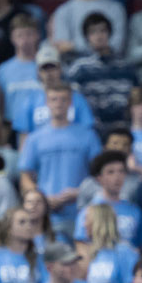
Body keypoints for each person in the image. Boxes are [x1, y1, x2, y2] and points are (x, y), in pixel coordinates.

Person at [19, 81, 104, 233]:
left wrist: (80, 192)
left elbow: (100, 174)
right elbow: (25, 176)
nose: (58, 103)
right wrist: (42, 198)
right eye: (54, 99)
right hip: (45, 217)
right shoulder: (34, 138)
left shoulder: (87, 135)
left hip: (81, 214)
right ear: (46, 102)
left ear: (70, 102)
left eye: (63, 99)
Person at [65, 13, 138, 132]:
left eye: (102, 31)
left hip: (123, 129)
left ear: (110, 34)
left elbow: (135, 98)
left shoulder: (126, 66)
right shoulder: (78, 69)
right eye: (93, 32)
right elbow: (74, 103)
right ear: (86, 37)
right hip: (92, 129)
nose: (98, 36)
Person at [12, 46, 97, 142]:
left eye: (52, 67)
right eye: (44, 68)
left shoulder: (76, 98)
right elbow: (24, 137)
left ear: (60, 69)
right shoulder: (28, 101)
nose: (49, 73)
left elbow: (87, 132)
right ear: (38, 72)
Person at [76, 151, 142, 254]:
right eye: (110, 172)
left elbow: (140, 244)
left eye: (121, 171)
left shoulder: (134, 210)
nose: (117, 177)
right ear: (99, 178)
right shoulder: (88, 212)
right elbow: (82, 246)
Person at [48, 0, 127, 59]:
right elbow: (62, 48)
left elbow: (116, 47)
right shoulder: (63, 11)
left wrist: (74, 47)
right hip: (73, 70)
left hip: (110, 69)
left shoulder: (116, 8)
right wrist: (100, 46)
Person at [0, 14, 42, 125]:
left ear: (38, 35)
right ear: (12, 38)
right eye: (19, 35)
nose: (24, 40)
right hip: (11, 126)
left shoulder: (47, 67)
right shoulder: (1, 71)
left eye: (29, 34)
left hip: (41, 125)